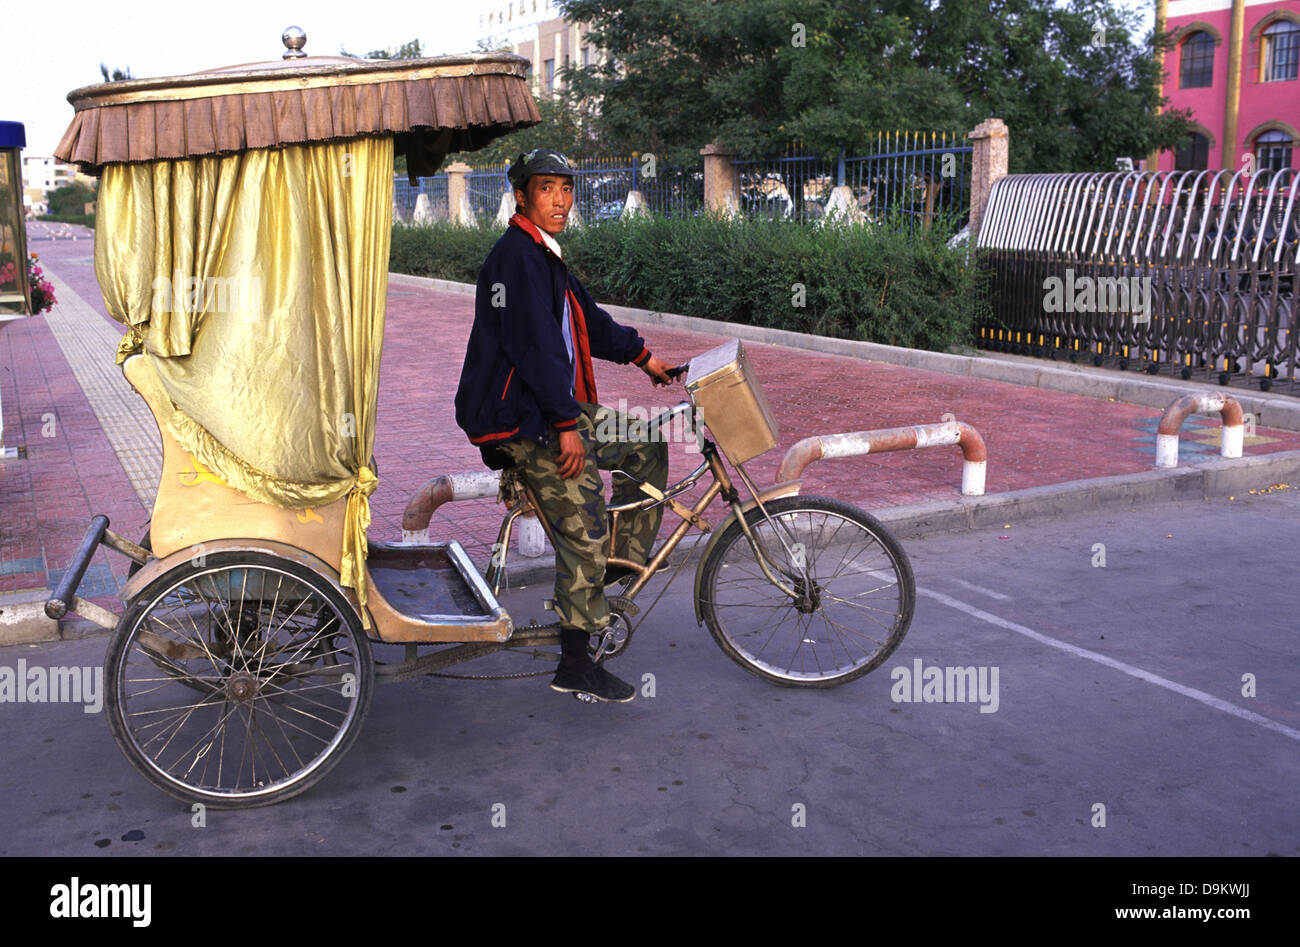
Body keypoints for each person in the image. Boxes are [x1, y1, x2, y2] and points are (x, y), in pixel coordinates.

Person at [454, 148, 676, 703]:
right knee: (584, 528)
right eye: (546, 188)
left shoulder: (544, 256)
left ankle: (606, 575)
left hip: (551, 409)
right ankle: (576, 663)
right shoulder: (515, 259)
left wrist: (644, 357)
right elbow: (534, 350)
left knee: (646, 441)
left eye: (566, 189)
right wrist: (565, 426)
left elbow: (588, 321)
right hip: (524, 420)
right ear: (522, 196)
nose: (559, 200)